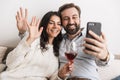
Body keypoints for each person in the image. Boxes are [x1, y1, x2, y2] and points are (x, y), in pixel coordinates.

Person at [16, 3, 114, 80]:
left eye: (74, 17)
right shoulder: (57, 39)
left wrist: (105, 56)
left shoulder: (91, 36)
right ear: (62, 23)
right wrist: (22, 32)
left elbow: (104, 62)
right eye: (66, 19)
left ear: (79, 19)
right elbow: (35, 42)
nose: (71, 21)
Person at [0, 8, 73, 80]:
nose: (55, 26)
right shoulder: (33, 38)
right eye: (51, 23)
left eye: (59, 24)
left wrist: (60, 76)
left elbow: (53, 77)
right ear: (45, 25)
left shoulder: (59, 50)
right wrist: (30, 39)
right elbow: (10, 63)